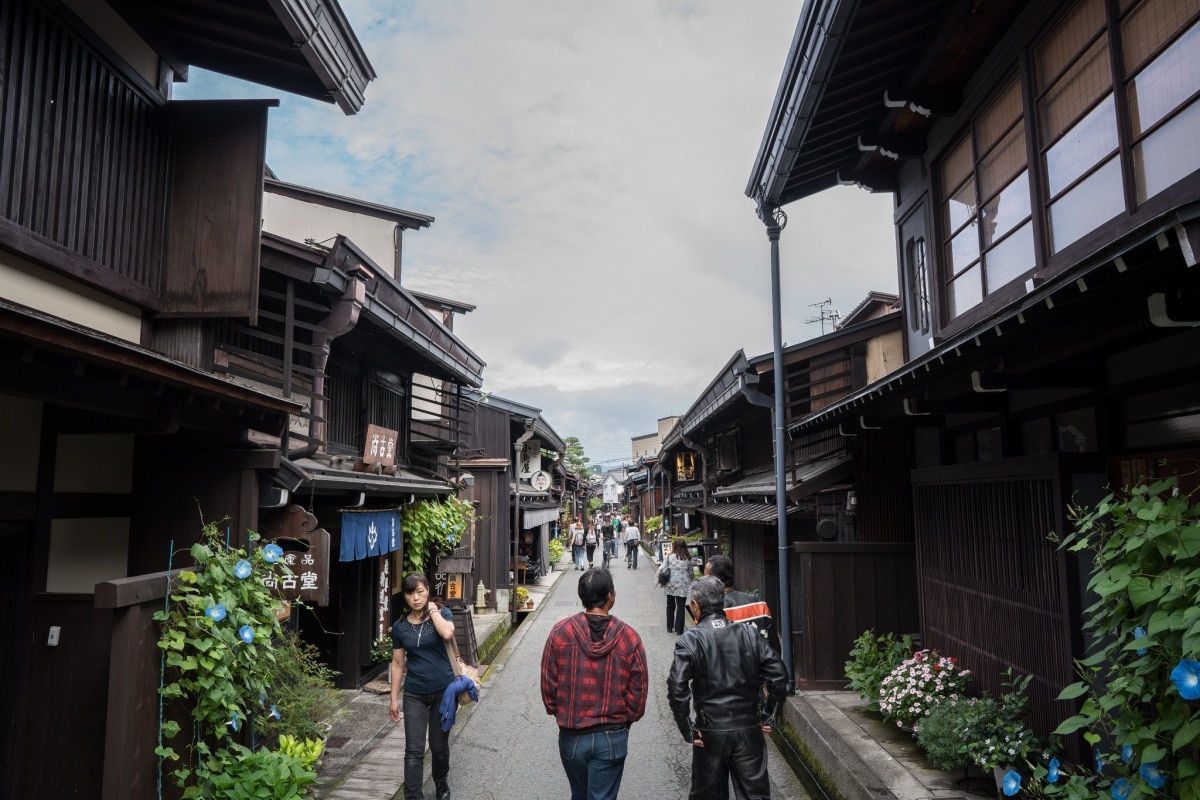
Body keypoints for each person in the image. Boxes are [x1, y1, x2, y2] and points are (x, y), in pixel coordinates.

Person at [667, 576, 787, 800]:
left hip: (709, 729)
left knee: (706, 793)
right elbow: (778, 674)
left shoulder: (690, 640)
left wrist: (687, 727)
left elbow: (677, 687)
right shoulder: (748, 634)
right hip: (749, 726)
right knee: (755, 794)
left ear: (695, 605)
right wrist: (770, 714)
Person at [541, 568, 648, 800]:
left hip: (571, 736)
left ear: (582, 597)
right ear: (611, 596)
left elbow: (549, 686)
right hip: (611, 735)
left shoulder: (560, 632)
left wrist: (560, 711)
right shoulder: (630, 637)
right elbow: (638, 696)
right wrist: (626, 718)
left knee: (579, 794)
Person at [703, 555, 782, 800]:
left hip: (716, 701)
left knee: (716, 775)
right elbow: (774, 658)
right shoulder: (759, 605)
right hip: (752, 697)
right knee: (751, 774)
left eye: (705, 576)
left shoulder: (709, 611)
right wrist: (771, 712)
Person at [390, 572, 458, 800]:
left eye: (420, 592)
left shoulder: (443, 613)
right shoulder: (399, 627)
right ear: (405, 597)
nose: (416, 598)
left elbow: (447, 633)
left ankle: (441, 782)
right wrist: (393, 699)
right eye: (411, 593)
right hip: (414, 694)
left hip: (444, 693)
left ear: (428, 590)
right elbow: (398, 663)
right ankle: (413, 796)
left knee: (438, 747)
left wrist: (433, 610)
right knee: (413, 750)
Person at [704, 555, 780, 653]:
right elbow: (774, 645)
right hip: (760, 663)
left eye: (705, 576)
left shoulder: (710, 609)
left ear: (712, 580)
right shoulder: (758, 604)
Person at [658, 537, 694, 635]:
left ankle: (669, 627)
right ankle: (679, 629)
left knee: (670, 605)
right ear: (684, 547)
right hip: (683, 586)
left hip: (670, 584)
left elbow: (662, 568)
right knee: (681, 607)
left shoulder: (669, 556)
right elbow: (691, 573)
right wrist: (691, 579)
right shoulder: (687, 558)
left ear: (674, 546)